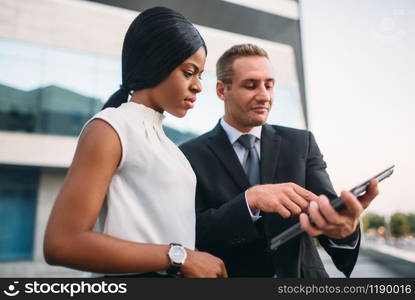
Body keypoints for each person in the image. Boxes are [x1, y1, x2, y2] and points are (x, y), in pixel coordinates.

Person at [43, 6, 227, 278]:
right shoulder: (110, 128)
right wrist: (180, 257)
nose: (198, 86)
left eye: (200, 75)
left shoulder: (171, 149)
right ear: (157, 63)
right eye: (189, 72)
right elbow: (62, 243)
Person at [180, 44, 379, 277]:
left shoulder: (302, 143)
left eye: (269, 85)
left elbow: (328, 212)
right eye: (251, 85)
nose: (264, 96)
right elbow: (191, 232)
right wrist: (249, 201)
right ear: (222, 90)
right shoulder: (188, 154)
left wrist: (344, 231)